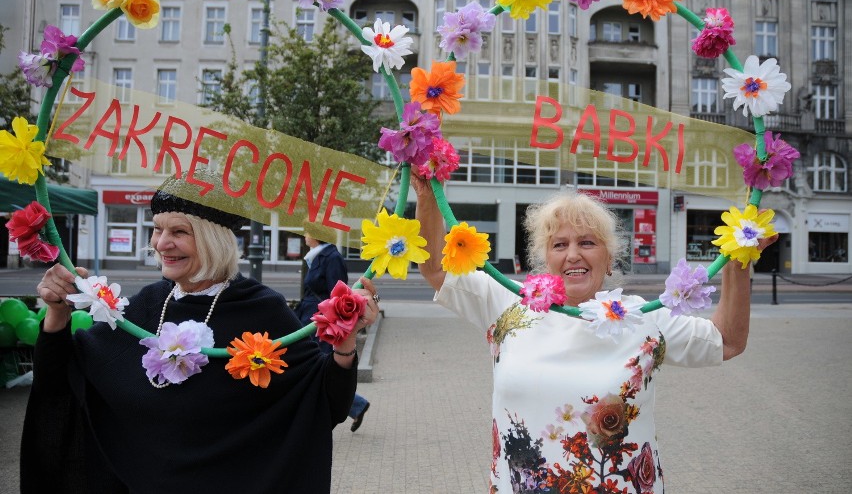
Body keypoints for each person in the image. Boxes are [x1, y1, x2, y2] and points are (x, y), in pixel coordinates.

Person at [413, 174, 777, 493]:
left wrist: (738, 263)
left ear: (609, 256)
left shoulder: (642, 318)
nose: (573, 254)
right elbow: (434, 268)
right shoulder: (508, 304)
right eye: (560, 244)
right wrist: (429, 194)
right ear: (545, 256)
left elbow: (726, 341)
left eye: (587, 243)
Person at [20, 171, 379, 493]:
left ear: (213, 240)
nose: (161, 244)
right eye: (158, 229)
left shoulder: (262, 310)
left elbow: (322, 403)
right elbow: (65, 379)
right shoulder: (146, 305)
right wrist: (57, 313)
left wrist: (344, 345)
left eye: (179, 232)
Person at [295, 225, 371, 432]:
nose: (304, 235)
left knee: (317, 367)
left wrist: (331, 322)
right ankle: (356, 406)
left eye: (308, 231)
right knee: (314, 366)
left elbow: (337, 293)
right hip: (308, 318)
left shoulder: (332, 257)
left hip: (321, 322)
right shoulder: (315, 256)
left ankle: (351, 406)